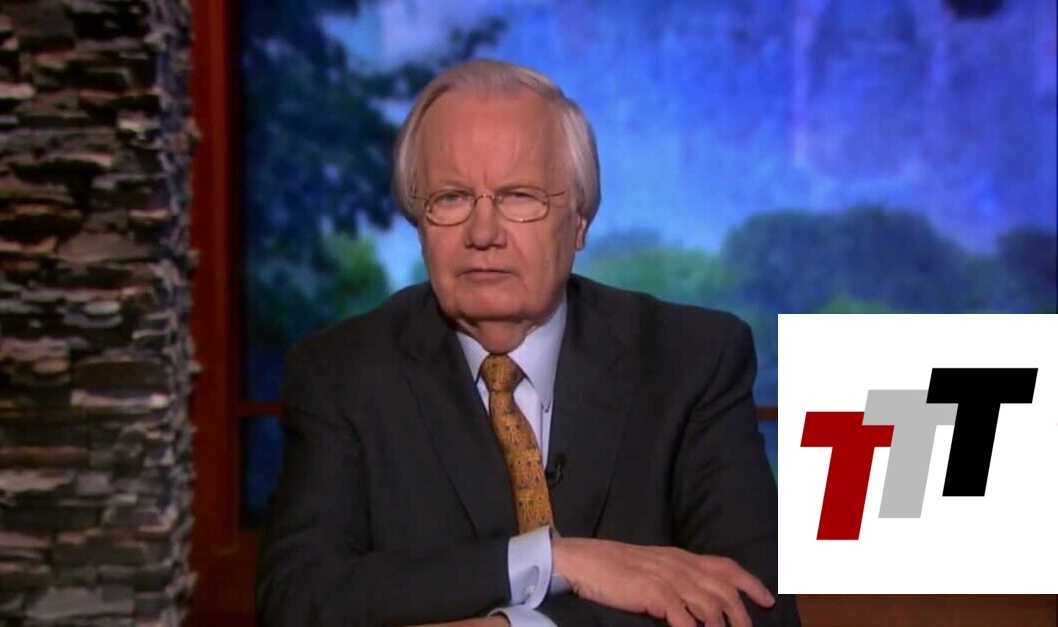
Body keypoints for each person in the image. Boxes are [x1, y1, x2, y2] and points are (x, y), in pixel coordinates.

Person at [256, 58, 800, 627]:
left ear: (580, 221)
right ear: (419, 224)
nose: (483, 234)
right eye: (450, 198)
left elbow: (755, 608)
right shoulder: (339, 375)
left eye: (519, 197)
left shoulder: (693, 361)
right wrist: (554, 560)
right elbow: (297, 602)